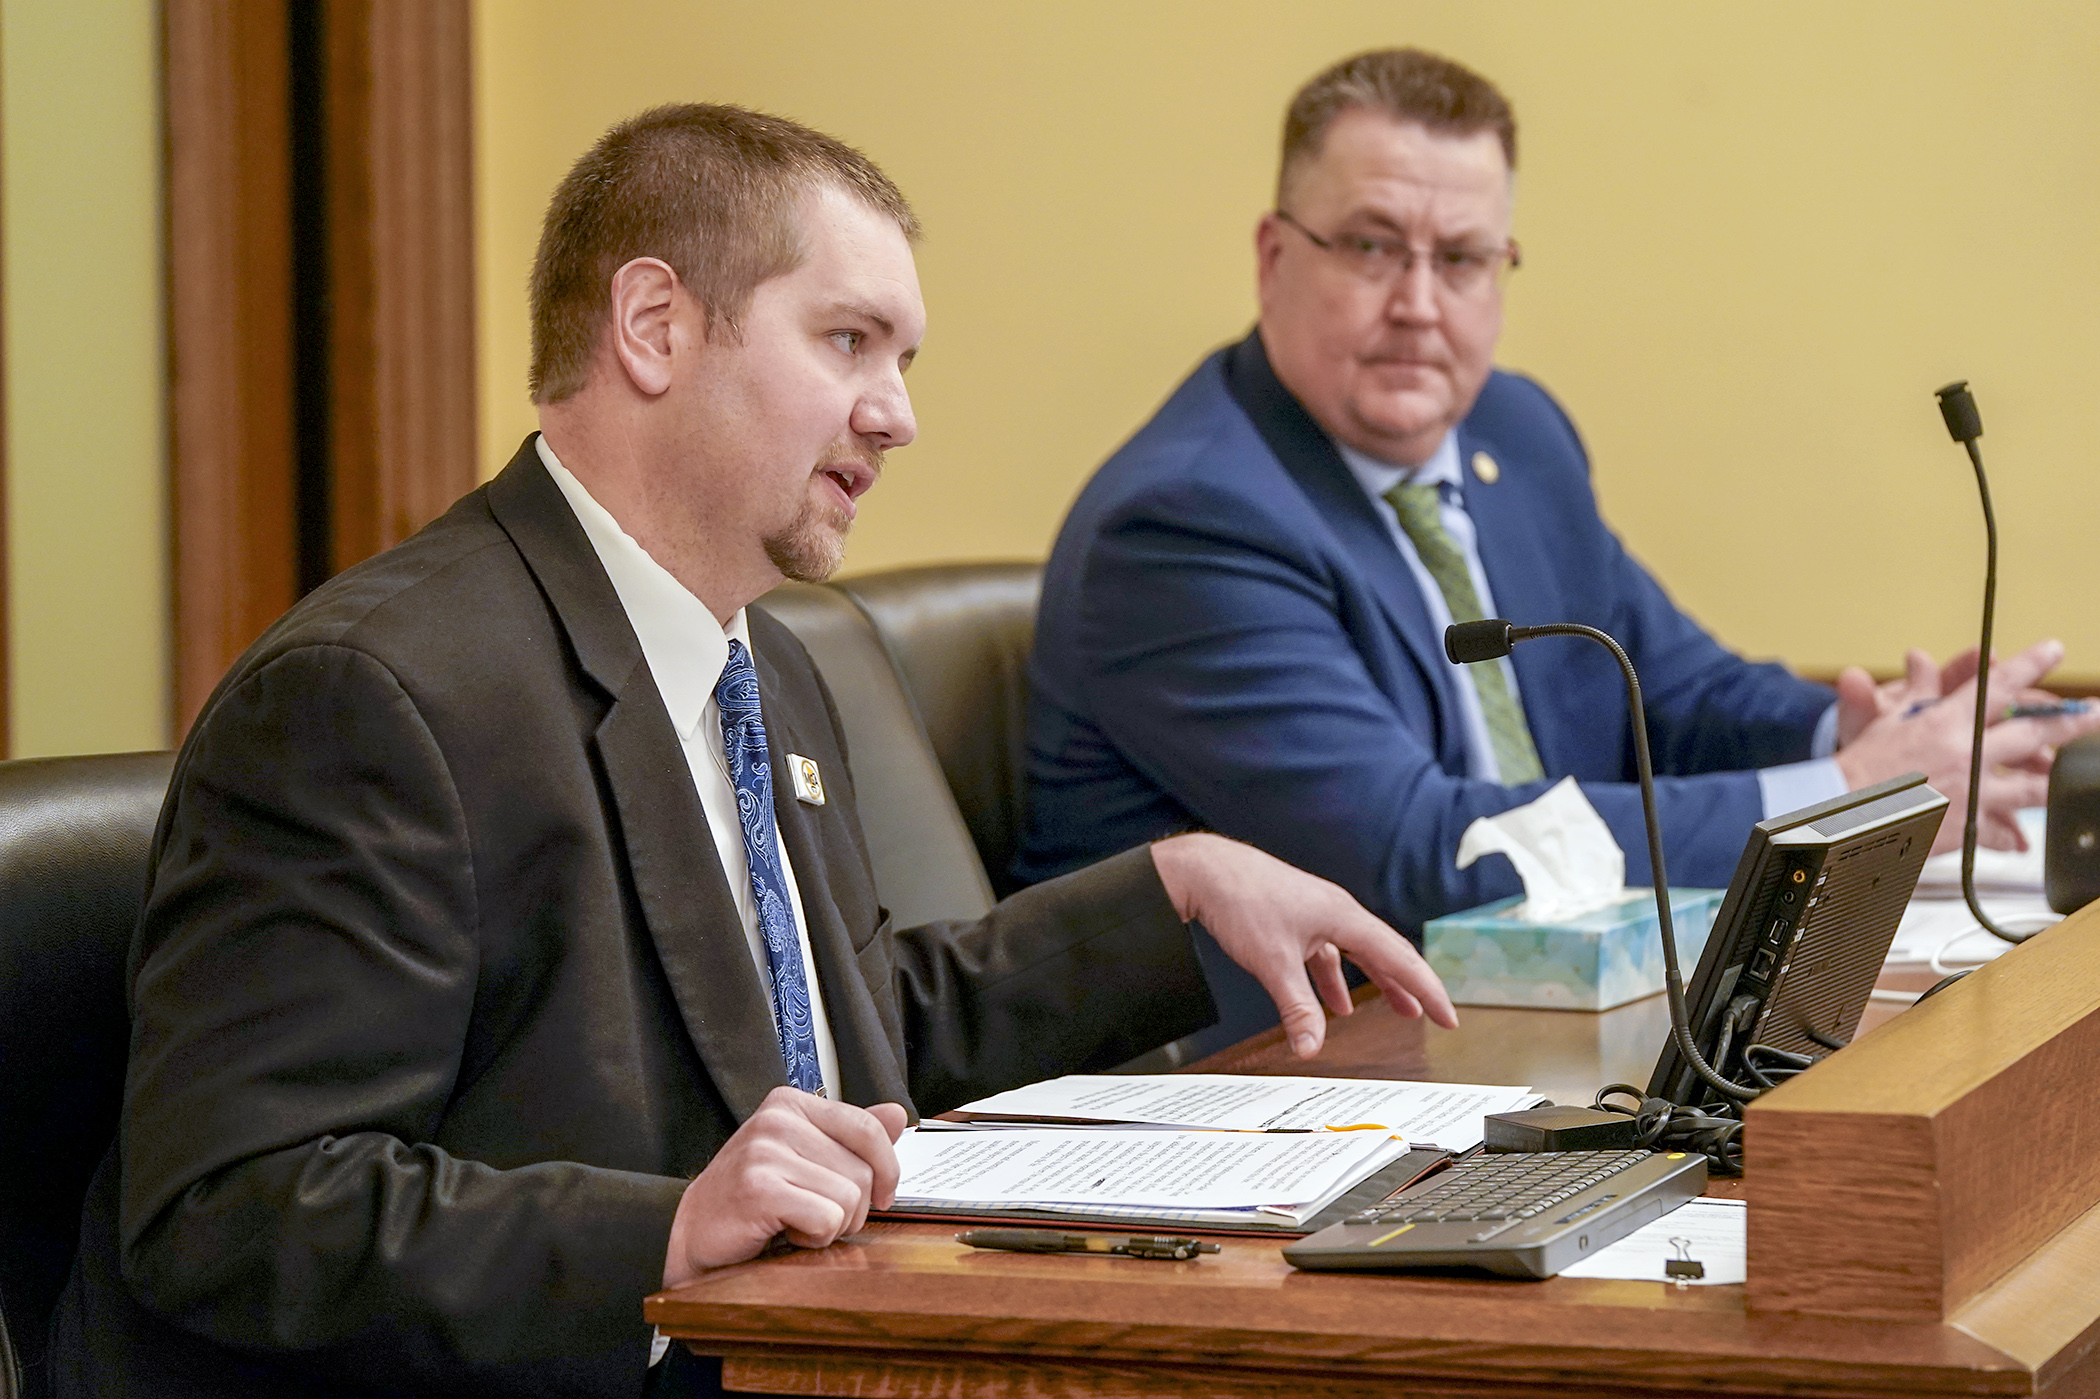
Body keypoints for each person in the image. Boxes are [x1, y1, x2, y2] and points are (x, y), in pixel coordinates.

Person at [49, 105, 1455, 1398]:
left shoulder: (762, 654)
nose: (898, 410)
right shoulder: (376, 698)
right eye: (850, 342)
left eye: (904, 360)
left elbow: (838, 1035)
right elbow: (228, 1205)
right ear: (655, 325)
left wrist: (1175, 889)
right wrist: (663, 1224)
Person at [1018, 48, 2100, 1054]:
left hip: (1528, 1024)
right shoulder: (1186, 520)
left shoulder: (1513, 434)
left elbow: (1666, 688)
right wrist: (1842, 790)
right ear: (1271, 256)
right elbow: (1421, 853)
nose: (1419, 305)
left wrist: (1854, 728)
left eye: (1463, 258)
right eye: (1371, 246)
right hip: (1273, 1090)